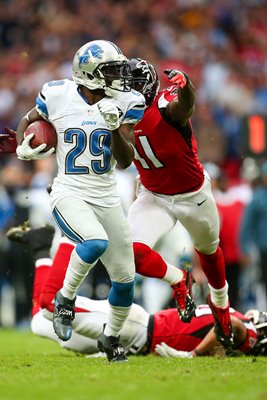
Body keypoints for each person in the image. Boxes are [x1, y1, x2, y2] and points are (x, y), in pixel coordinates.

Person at [11, 40, 146, 362]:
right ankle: (65, 300)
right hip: (69, 190)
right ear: (89, 73)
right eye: (111, 71)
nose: (118, 77)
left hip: (107, 195)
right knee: (94, 242)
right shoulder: (57, 94)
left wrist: (114, 128)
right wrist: (20, 147)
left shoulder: (127, 101)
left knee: (125, 279)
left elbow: (126, 160)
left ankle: (111, 338)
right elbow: (27, 121)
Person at [6, 223, 261, 358]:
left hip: (136, 337)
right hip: (137, 330)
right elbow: (235, 328)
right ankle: (69, 235)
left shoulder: (236, 319)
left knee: (39, 323)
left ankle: (40, 248)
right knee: (51, 307)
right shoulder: (245, 328)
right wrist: (193, 356)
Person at [126, 58, 234, 350]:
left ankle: (221, 306)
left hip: (192, 195)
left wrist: (186, 87)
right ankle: (179, 280)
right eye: (125, 85)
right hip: (154, 196)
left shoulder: (164, 104)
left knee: (209, 252)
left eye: (134, 85)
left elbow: (184, 107)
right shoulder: (116, 112)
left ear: (149, 88)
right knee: (131, 253)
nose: (128, 91)